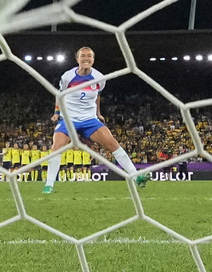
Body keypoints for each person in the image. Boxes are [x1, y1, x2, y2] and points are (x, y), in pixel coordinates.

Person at [44, 46, 145, 193]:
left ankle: (136, 177)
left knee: (113, 144)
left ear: (93, 59)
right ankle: (49, 185)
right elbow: (59, 95)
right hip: (69, 119)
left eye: (89, 56)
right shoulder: (68, 77)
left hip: (89, 120)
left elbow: (97, 95)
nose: (86, 58)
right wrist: (56, 112)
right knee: (56, 147)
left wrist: (98, 113)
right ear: (77, 59)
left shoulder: (99, 78)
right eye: (83, 55)